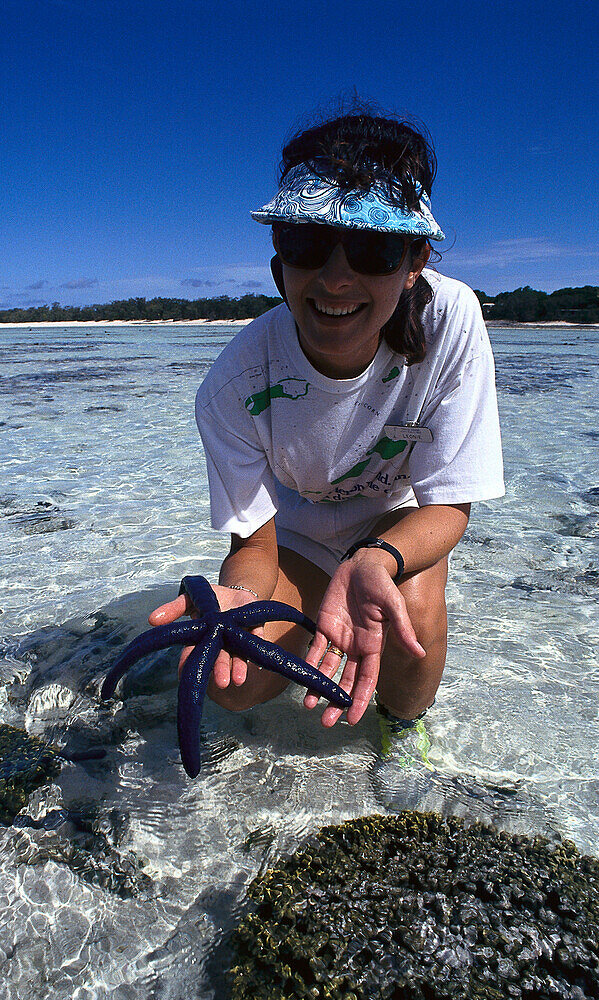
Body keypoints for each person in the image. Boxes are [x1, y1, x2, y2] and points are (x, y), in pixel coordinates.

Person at [150, 110, 504, 745]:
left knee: (412, 628)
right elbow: (254, 549)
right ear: (279, 258)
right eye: (308, 245)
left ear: (415, 258)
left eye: (373, 250)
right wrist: (233, 603)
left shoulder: (452, 321)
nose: (337, 279)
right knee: (234, 683)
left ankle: (402, 733)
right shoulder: (234, 385)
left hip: (394, 525)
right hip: (298, 536)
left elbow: (448, 505)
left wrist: (378, 557)